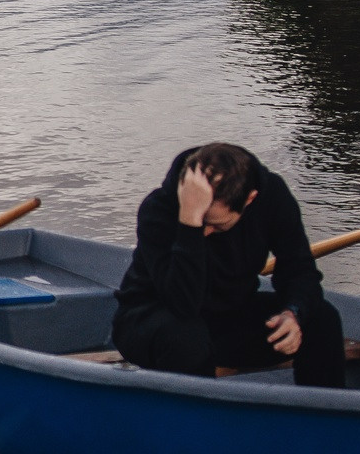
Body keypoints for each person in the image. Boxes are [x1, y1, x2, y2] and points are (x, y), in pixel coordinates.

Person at [112, 142, 346, 387]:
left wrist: (293, 313)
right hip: (151, 319)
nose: (206, 232)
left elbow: (299, 270)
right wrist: (189, 223)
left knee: (321, 317)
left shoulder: (272, 196)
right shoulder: (159, 209)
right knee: (185, 337)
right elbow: (183, 304)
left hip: (226, 316)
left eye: (216, 225)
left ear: (249, 200)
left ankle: (325, 418)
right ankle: (200, 421)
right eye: (202, 223)